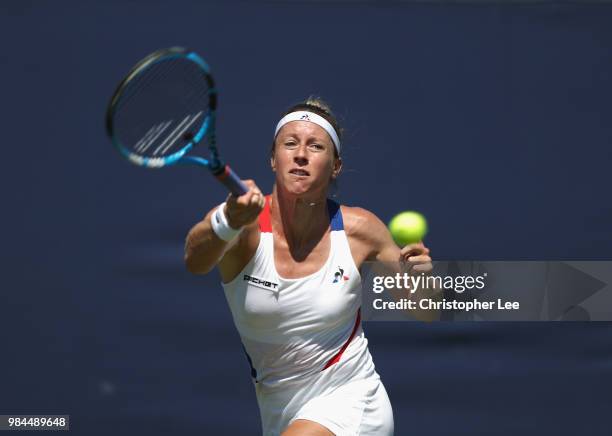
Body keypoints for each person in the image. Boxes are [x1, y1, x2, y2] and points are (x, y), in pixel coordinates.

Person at [184, 97, 432, 435]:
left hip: (352, 400)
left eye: (315, 146)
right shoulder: (243, 226)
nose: (301, 154)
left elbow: (426, 310)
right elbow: (195, 261)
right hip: (279, 410)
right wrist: (227, 220)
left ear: (335, 166)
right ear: (274, 159)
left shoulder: (361, 230)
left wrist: (421, 279)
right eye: (290, 144)